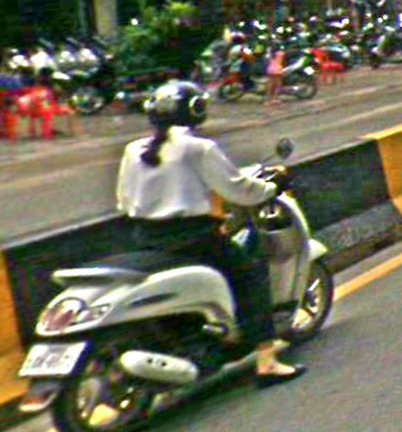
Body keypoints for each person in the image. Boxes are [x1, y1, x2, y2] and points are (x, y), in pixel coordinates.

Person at [116, 80, 307, 388]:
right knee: (251, 276)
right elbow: (239, 190)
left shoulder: (133, 150)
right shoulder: (199, 148)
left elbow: (124, 201)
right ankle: (267, 362)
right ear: (196, 111)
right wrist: (273, 187)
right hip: (194, 238)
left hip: (146, 237)